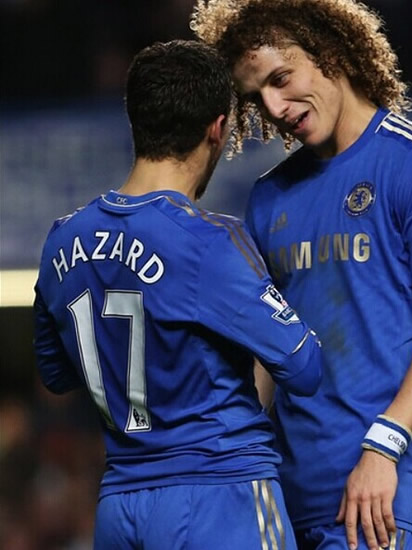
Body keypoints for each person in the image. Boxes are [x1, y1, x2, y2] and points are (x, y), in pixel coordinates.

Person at [191, 2, 412, 549]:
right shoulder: (269, 197)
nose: (274, 107)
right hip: (281, 499)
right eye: (256, 97)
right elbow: (265, 358)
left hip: (379, 500)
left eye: (281, 78)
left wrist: (383, 447)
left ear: (330, 50)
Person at [33, 39, 324, 550]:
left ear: (137, 123)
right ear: (217, 129)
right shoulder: (208, 241)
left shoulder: (63, 238)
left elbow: (56, 374)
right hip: (220, 494)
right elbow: (304, 368)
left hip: (121, 507)